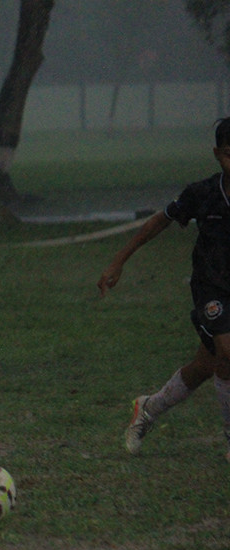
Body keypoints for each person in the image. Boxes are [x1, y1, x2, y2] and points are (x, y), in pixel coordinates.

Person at [98, 116, 230, 462]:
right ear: (217, 154)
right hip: (212, 289)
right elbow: (161, 221)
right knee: (227, 353)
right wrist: (119, 260)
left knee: (205, 365)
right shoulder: (202, 194)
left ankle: (149, 408)